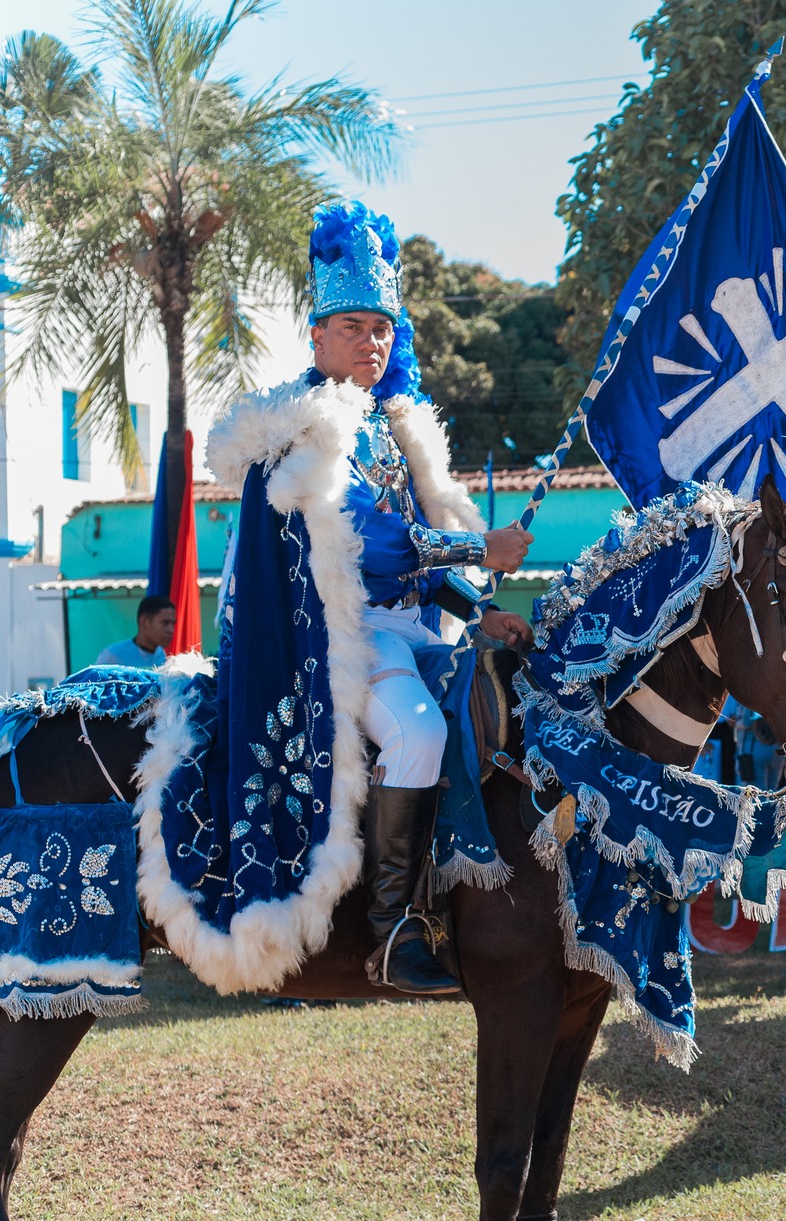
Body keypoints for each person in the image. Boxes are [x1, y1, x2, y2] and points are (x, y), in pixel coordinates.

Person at [219, 203, 536, 994]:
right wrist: (478, 547)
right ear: (318, 335)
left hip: (417, 631)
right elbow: (370, 543)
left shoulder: (392, 429)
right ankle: (397, 928)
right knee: (421, 735)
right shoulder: (305, 426)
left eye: (383, 328)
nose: (372, 342)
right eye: (353, 326)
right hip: (344, 636)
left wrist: (474, 606)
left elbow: (419, 565)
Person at [95, 594, 175, 668]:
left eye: (173, 623)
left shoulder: (161, 656)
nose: (171, 630)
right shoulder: (112, 656)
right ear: (144, 622)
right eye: (165, 623)